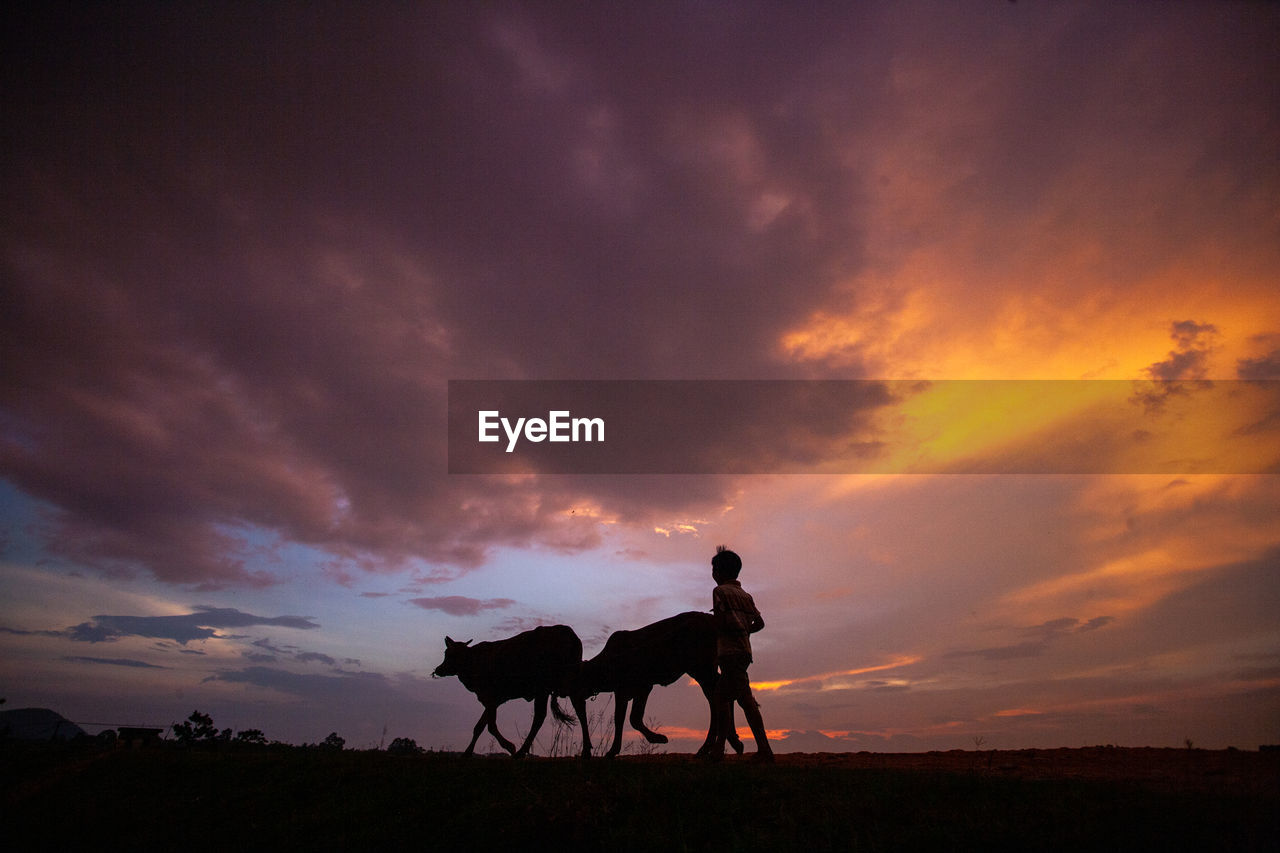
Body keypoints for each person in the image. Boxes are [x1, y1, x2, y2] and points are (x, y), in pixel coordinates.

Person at [707, 545, 774, 762]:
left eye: (714, 569)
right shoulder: (745, 595)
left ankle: (722, 750)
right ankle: (759, 749)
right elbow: (760, 623)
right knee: (741, 697)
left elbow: (721, 620)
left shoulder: (720, 592)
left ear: (718, 572)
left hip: (729, 653)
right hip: (744, 652)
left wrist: (719, 633)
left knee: (723, 699)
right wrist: (745, 630)